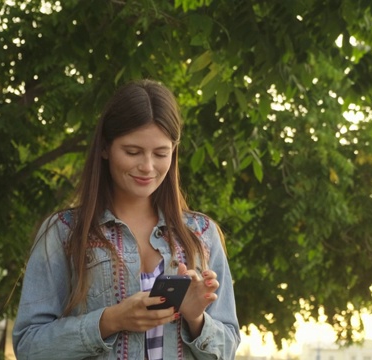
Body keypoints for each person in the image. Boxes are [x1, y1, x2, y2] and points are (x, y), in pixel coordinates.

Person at [12, 79, 241, 359]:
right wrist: (110, 320)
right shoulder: (64, 232)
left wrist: (196, 319)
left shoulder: (202, 233)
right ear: (106, 148)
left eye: (161, 153)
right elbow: (29, 347)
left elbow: (228, 348)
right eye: (132, 152)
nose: (147, 166)